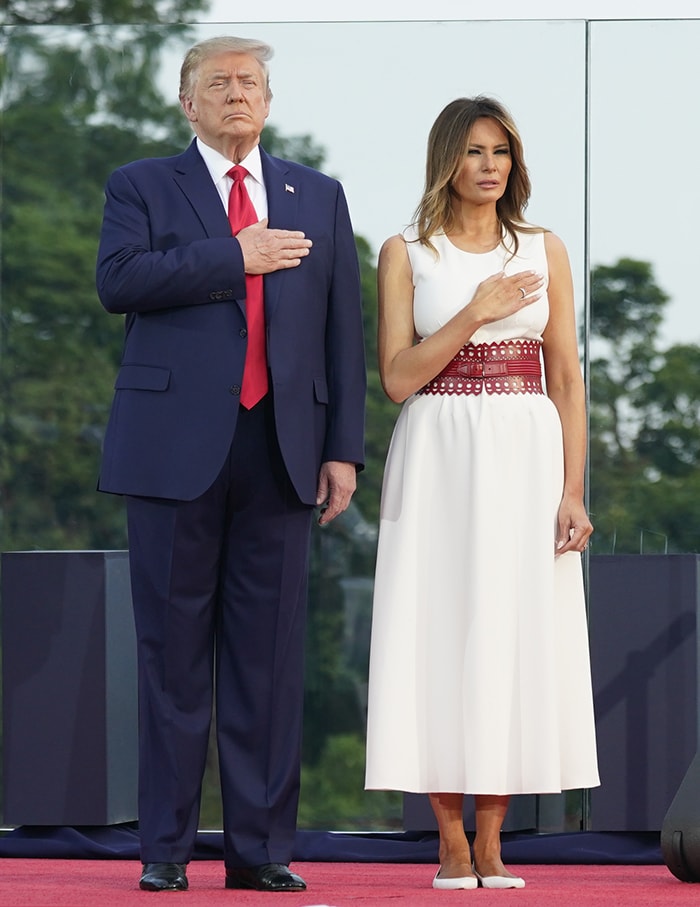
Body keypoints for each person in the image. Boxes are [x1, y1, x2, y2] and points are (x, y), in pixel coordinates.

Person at [96, 35, 366, 893]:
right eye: (218, 84)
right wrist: (233, 257)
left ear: (269, 100)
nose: (236, 95)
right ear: (188, 104)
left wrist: (343, 451)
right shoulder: (140, 184)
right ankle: (166, 851)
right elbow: (119, 280)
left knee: (268, 660)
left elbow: (342, 334)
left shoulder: (316, 196)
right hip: (173, 449)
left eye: (250, 82)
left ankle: (258, 852)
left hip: (284, 450)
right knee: (172, 658)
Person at [364, 96, 599, 890]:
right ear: (446, 161)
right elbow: (397, 378)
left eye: (500, 150)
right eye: (473, 151)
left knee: (511, 630)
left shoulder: (545, 247)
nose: (490, 164)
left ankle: (494, 840)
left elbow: (566, 375)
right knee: (437, 627)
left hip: (526, 455)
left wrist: (573, 490)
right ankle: (449, 838)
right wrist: (476, 311)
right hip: (436, 452)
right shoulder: (407, 252)